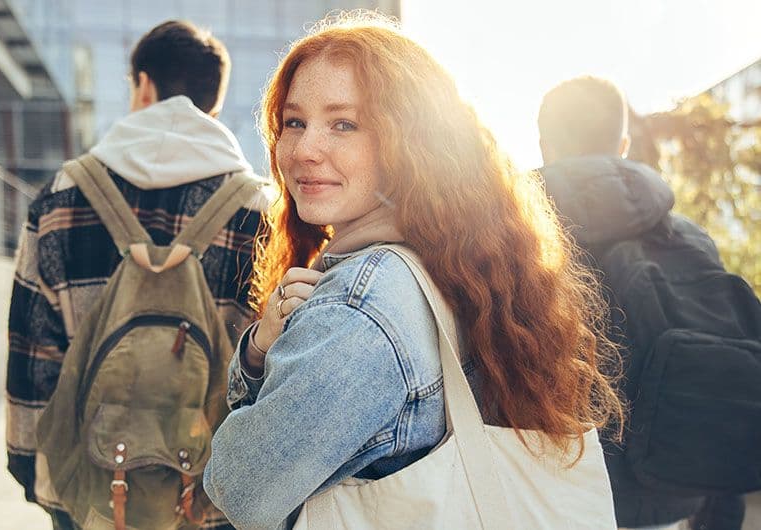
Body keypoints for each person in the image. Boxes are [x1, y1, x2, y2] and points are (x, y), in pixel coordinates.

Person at [203, 12, 622, 529]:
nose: (305, 150)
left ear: (411, 143)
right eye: (294, 122)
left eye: (344, 124)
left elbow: (238, 487)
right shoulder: (458, 262)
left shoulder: (361, 306)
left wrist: (257, 356)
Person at [5, 20, 267, 530]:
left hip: (92, 495)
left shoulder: (63, 195)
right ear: (211, 102)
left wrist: (34, 473)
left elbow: (33, 352)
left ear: (143, 85)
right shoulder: (260, 209)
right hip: (212, 500)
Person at [537, 76, 747, 530]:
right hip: (664, 498)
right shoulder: (688, 238)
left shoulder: (511, 243)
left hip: (549, 498)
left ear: (544, 146)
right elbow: (723, 372)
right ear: (624, 144)